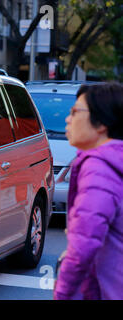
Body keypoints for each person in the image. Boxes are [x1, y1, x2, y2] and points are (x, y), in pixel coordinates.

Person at [54, 82, 123, 300]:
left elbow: (82, 249)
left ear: (101, 122)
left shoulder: (99, 168)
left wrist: (62, 294)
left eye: (75, 111)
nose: (68, 118)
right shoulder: (113, 162)